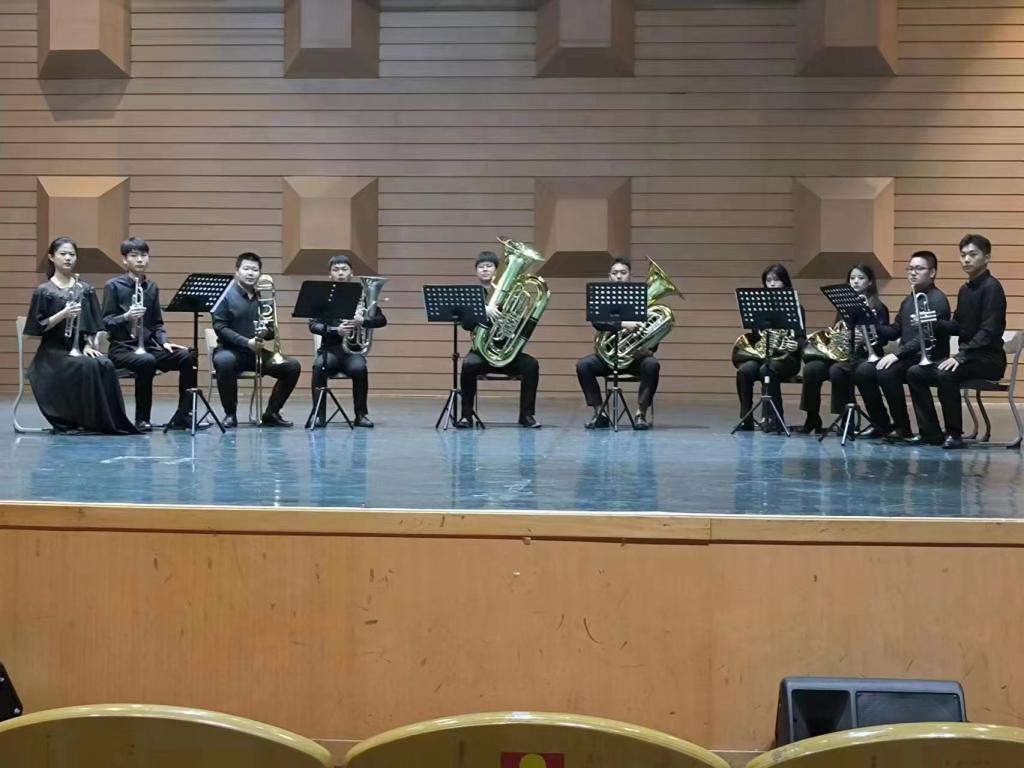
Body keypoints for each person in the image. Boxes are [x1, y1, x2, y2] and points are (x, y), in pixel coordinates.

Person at [23, 236, 138, 434]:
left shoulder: (85, 289)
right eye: (63, 254)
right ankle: (80, 420)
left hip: (80, 347)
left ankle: (106, 422)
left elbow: (95, 325)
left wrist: (89, 344)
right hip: (53, 352)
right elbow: (36, 327)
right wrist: (63, 314)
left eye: (72, 254)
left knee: (105, 364)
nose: (68, 258)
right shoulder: (44, 291)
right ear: (51, 257)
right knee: (87, 366)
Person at [906, 234, 1007, 449]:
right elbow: (958, 326)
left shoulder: (992, 288)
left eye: (972, 254)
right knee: (915, 372)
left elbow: (989, 331)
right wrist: (934, 322)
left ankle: (954, 434)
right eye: (963, 255)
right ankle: (931, 433)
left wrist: (960, 356)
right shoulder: (965, 289)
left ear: (987, 258)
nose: (966, 259)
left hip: (988, 359)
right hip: (969, 358)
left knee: (946, 373)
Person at [101, 236, 198, 432]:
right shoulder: (113, 286)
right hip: (122, 349)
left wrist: (164, 342)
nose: (140, 260)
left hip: (148, 347)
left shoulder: (151, 287)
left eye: (144, 255)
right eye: (134, 255)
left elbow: (157, 324)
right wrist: (127, 316)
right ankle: (142, 419)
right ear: (124, 260)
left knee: (187, 356)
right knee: (147, 361)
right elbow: (105, 322)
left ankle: (183, 415)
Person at [854, 250, 951, 443]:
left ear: (932, 273)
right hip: (909, 356)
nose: (913, 273)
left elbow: (926, 337)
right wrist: (871, 324)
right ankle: (882, 424)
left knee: (887, 371)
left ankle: (903, 427)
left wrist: (897, 355)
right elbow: (895, 330)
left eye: (919, 269)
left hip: (929, 356)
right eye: (910, 269)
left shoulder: (937, 299)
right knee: (863, 370)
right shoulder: (908, 300)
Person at [211, 252, 301, 428]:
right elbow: (220, 328)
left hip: (255, 353)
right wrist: (246, 342)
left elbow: (271, 332)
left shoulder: (264, 298)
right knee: (224, 361)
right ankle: (230, 414)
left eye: (255, 269)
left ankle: (271, 413)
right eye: (246, 269)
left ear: (259, 273)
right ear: (237, 271)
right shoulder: (224, 296)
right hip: (230, 350)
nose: (250, 273)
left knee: (292, 366)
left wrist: (266, 332)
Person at [798, 264, 890, 434]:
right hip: (843, 354)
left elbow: (883, 339)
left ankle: (847, 419)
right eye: (852, 278)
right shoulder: (844, 306)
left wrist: (865, 339)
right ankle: (812, 417)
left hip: (864, 355)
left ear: (870, 282)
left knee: (838, 371)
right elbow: (837, 331)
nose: (855, 281)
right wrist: (841, 337)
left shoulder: (878, 307)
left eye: (861, 278)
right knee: (812, 369)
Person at [457, 250, 541, 428]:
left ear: (497, 270)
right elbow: (466, 325)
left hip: (506, 351)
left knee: (531, 365)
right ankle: (466, 416)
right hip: (481, 351)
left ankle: (526, 415)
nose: (485, 269)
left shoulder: (512, 293)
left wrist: (509, 325)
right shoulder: (472, 295)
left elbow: (519, 323)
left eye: (489, 266)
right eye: (481, 267)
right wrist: (483, 310)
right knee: (468, 365)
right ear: (476, 272)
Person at [575, 257, 660, 430]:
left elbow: (654, 330)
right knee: (583, 365)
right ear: (609, 276)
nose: (619, 276)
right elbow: (598, 323)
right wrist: (623, 324)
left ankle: (640, 414)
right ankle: (600, 413)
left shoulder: (641, 300)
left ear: (630, 275)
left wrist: (649, 349)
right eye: (615, 273)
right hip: (607, 357)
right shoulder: (602, 298)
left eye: (623, 272)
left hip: (634, 357)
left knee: (652, 365)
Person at [308, 255, 386, 428]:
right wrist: (336, 330)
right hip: (330, 350)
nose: (341, 273)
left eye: (344, 269)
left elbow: (382, 320)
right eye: (336, 270)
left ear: (352, 273)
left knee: (360, 368)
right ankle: (318, 414)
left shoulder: (363, 296)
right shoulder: (324, 296)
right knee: (319, 366)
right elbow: (313, 325)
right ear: (330, 274)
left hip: (352, 352)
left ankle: (361, 415)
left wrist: (363, 321)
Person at [734, 264, 805, 432]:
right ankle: (746, 418)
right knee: (745, 371)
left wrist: (796, 344)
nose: (772, 284)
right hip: (763, 356)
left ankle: (775, 419)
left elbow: (801, 337)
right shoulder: (759, 308)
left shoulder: (795, 307)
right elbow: (756, 335)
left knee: (767, 369)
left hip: (787, 358)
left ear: (785, 282)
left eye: (777, 280)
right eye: (769, 280)